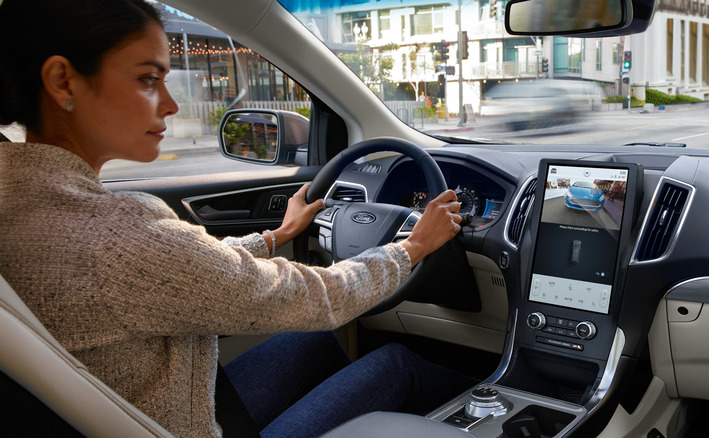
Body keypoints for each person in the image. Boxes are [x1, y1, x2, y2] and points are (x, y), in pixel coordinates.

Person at [0, 1, 473, 437]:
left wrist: (278, 236)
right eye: (148, 79)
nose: (170, 104)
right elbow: (315, 297)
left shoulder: (22, 201)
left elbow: (182, 272)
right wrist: (413, 246)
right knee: (396, 364)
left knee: (310, 344)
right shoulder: (111, 235)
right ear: (63, 81)